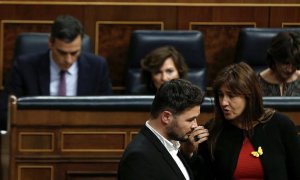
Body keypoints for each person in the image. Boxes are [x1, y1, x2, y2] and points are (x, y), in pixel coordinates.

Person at [187, 62, 300, 179]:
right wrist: (189, 153)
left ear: (249, 96)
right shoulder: (212, 130)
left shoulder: (280, 125)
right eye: (221, 95)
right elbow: (200, 175)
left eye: (231, 95)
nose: (224, 102)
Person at [0, 15, 112, 130]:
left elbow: (108, 112)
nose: (68, 60)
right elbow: (5, 112)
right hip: (39, 135)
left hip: (81, 135)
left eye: (74, 53)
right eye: (62, 53)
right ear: (50, 43)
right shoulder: (25, 67)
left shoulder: (97, 67)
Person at [118, 79, 209, 180]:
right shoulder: (139, 158)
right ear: (166, 117)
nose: (195, 125)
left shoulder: (173, 145)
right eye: (190, 120)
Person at [258, 31, 300, 96]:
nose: (290, 70)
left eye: (294, 64)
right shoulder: (257, 83)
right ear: (275, 58)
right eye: (285, 63)